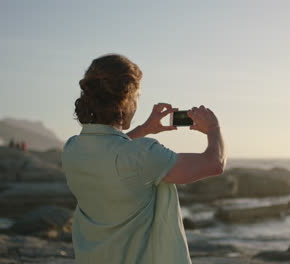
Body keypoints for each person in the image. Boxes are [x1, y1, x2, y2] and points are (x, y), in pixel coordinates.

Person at [61, 54, 226, 264]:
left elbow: (110, 152)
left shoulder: (72, 148)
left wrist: (145, 129)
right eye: (138, 96)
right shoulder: (143, 154)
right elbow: (215, 163)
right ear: (127, 99)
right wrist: (214, 128)